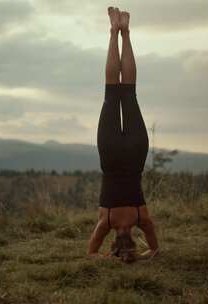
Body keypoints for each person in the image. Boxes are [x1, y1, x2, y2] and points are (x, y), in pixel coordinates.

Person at [87, 7, 159, 263]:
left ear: (134, 241)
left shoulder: (142, 217)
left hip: (136, 151)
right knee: (111, 92)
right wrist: (108, 258)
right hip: (109, 152)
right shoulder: (106, 221)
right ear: (114, 244)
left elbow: (155, 249)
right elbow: (92, 253)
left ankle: (125, 32)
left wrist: (146, 253)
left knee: (128, 92)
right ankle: (113, 31)